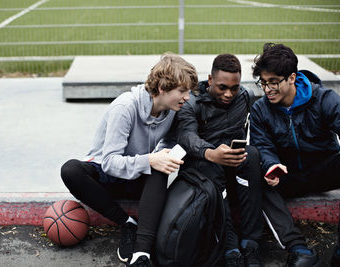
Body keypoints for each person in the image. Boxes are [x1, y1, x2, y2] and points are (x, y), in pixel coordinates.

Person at [60, 53, 198, 267]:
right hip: (106, 176)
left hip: (136, 179)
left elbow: (169, 144)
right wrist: (149, 160)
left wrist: (166, 155)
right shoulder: (125, 107)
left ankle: (141, 254)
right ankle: (127, 224)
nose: (187, 97)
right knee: (70, 170)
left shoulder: (172, 110)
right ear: (162, 88)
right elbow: (110, 162)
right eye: (182, 91)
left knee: (159, 167)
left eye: (188, 91)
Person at [250, 43, 340, 267]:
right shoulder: (260, 109)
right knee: (251, 166)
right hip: (287, 174)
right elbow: (262, 145)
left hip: (325, 169)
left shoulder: (324, 98)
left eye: (273, 82)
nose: (267, 89)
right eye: (263, 82)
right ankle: (299, 250)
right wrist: (271, 166)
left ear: (291, 78)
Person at [175, 54, 263, 267]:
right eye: (222, 87)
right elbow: (187, 138)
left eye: (234, 87)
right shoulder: (192, 102)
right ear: (210, 80)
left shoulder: (244, 96)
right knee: (212, 165)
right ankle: (230, 246)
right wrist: (211, 153)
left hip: (232, 166)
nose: (228, 93)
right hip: (201, 167)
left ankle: (251, 244)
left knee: (252, 156)